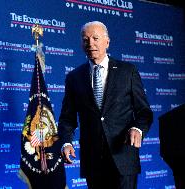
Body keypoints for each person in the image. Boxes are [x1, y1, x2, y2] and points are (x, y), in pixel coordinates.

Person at [58, 21, 153, 189]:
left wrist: (137, 128)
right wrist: (66, 142)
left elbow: (144, 112)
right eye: (85, 39)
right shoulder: (74, 77)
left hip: (123, 157)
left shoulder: (127, 71)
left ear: (107, 42)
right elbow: (67, 118)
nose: (90, 44)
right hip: (93, 160)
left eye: (95, 38)